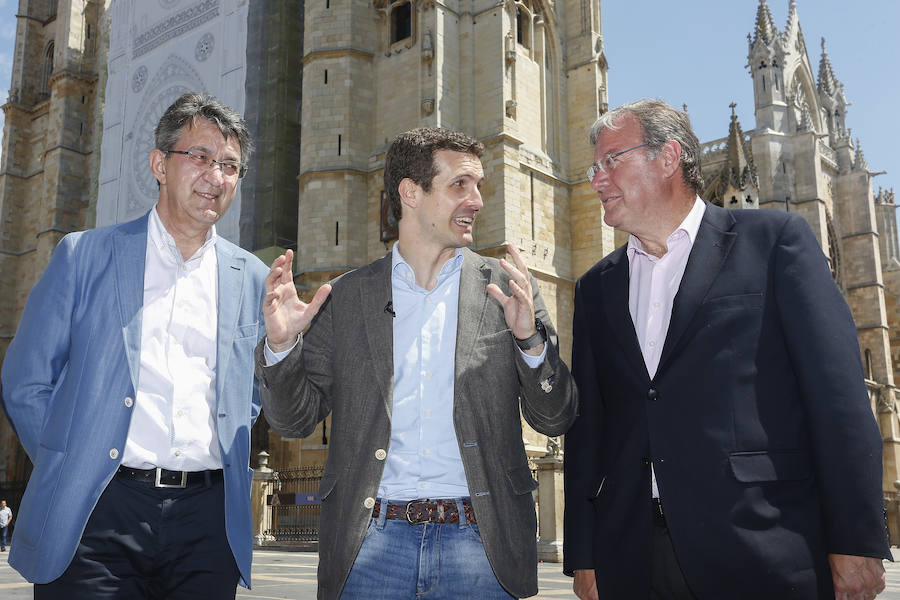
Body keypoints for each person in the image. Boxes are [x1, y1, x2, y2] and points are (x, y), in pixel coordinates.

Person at [563, 99, 891, 600]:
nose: (596, 180)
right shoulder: (594, 288)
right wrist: (584, 555)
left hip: (761, 550)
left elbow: (838, 399)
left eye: (612, 161)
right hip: (632, 560)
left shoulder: (775, 243)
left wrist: (856, 537)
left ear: (668, 158)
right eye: (594, 167)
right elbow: (590, 432)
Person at [256, 127, 578, 599]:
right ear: (410, 192)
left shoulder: (508, 289)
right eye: (459, 185)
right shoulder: (346, 297)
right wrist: (282, 349)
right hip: (370, 547)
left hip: (483, 548)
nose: (477, 201)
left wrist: (530, 341)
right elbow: (293, 420)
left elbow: (557, 416)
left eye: (479, 186)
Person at [1, 92, 268, 599]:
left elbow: (248, 393)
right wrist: (72, 461)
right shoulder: (85, 256)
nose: (216, 176)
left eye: (231, 165)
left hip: (206, 522)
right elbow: (26, 382)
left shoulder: (251, 276)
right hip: (100, 513)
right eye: (201, 157)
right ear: (159, 165)